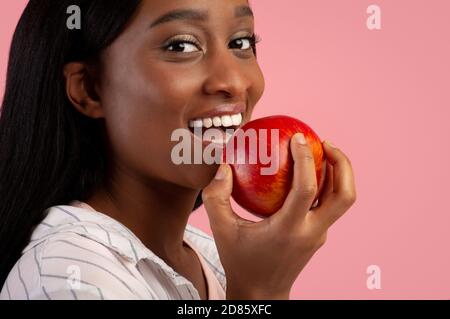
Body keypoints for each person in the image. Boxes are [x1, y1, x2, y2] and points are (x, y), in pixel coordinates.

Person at [0, 0, 356, 300]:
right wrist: (258, 294)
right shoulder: (67, 274)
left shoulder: (209, 257)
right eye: (181, 46)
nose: (233, 82)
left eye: (241, 42)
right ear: (90, 89)